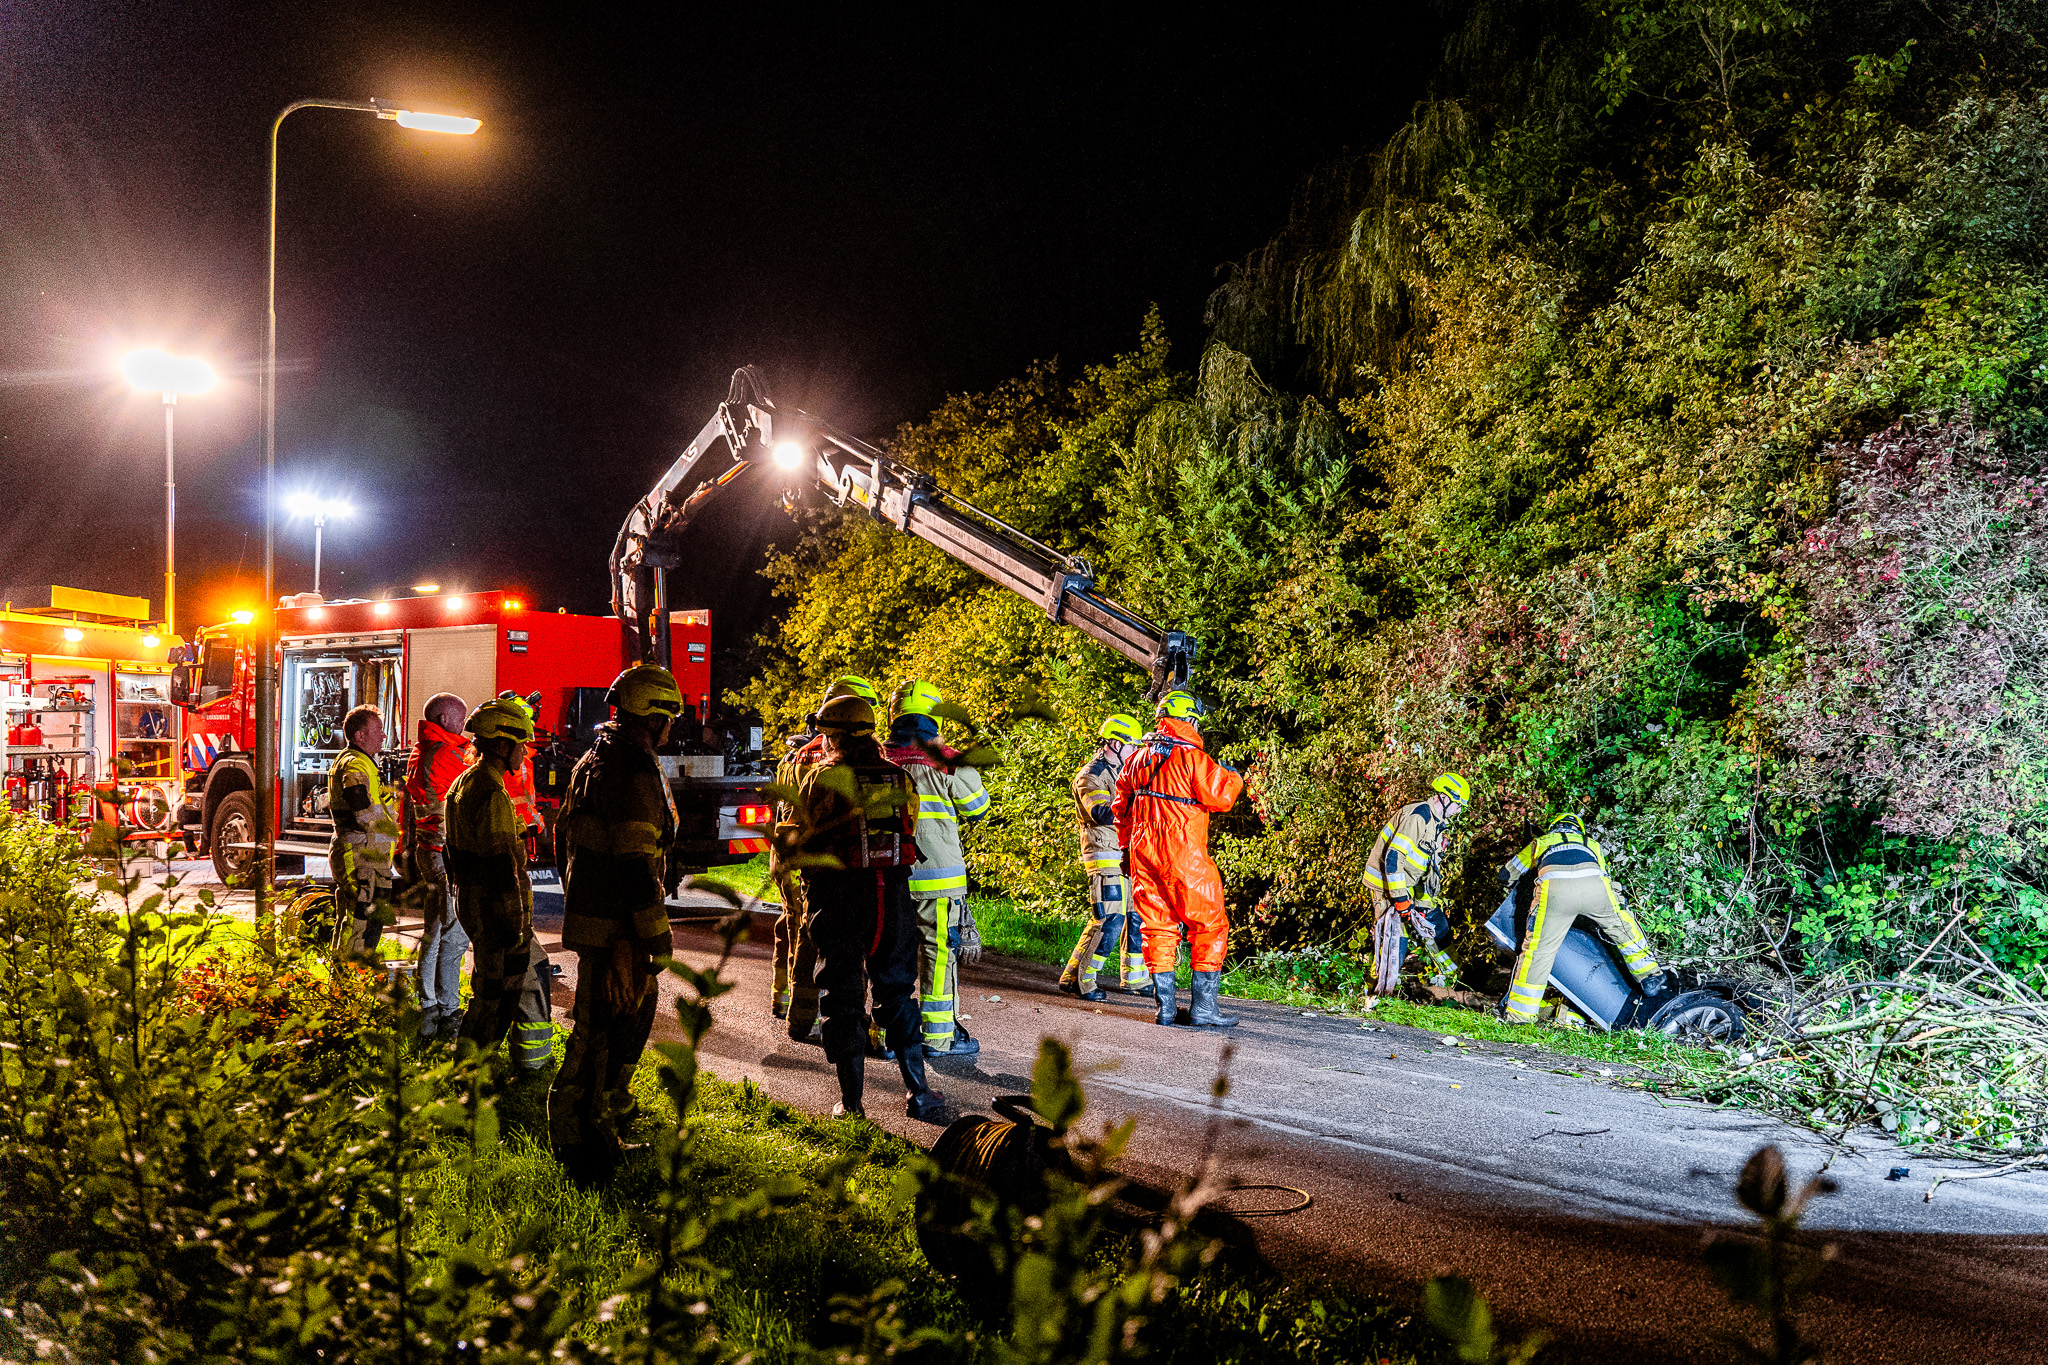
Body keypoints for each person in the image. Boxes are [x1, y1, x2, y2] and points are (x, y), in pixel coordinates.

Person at [548, 664, 683, 1183]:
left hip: (599, 917)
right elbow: (634, 862)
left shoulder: (596, 758)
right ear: (653, 716)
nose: (671, 726)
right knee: (600, 1031)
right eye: (669, 716)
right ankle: (578, 1138)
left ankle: (601, 1122)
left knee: (623, 1023)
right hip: (617, 926)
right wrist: (651, 936)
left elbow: (565, 838)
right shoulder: (632, 770)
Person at [796, 693, 943, 1121]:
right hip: (891, 900)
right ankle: (919, 1092)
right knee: (897, 991)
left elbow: (806, 834)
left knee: (843, 996)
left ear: (834, 737)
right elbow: (910, 824)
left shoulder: (823, 778)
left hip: (838, 899)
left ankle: (852, 1104)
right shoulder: (899, 777)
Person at [1112, 691, 1245, 1028]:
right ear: (1189, 720)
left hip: (1143, 851)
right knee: (1209, 924)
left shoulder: (1137, 759)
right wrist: (1234, 776)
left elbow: (1121, 809)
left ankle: (1166, 1009)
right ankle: (1203, 1009)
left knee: (1157, 925)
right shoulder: (1193, 758)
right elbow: (1222, 797)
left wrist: (1126, 850)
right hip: (1184, 851)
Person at [882, 680, 990, 1058]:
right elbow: (978, 807)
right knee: (938, 953)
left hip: (887, 874)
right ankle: (939, 1037)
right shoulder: (947, 759)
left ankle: (887, 1034)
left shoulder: (877, 758)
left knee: (887, 954)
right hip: (939, 877)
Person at [771, 675, 878, 1040]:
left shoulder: (801, 752)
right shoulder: (845, 759)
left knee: (798, 931)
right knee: (834, 943)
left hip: (802, 861)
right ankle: (834, 1020)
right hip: (837, 868)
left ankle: (792, 1009)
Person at [1499, 814, 1666, 1022]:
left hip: (1555, 892)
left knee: (1538, 951)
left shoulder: (1541, 842)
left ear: (1554, 828)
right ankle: (1650, 976)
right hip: (1594, 888)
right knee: (1621, 926)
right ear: (1579, 829)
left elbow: (1506, 875)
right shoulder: (1592, 844)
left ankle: (1520, 1016)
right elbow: (1604, 874)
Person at [445, 698, 538, 1052]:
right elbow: (501, 867)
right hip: (495, 907)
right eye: (520, 744)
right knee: (495, 996)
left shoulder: (465, 781)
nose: (524, 752)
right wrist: (514, 924)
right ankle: (473, 1068)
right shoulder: (492, 791)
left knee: (489, 987)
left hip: (472, 897)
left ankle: (472, 1065)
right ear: (501, 746)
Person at [1059, 712, 1151, 1002]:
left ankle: (1135, 978)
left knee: (1136, 916)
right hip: (1104, 854)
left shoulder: (1124, 771)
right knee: (1108, 919)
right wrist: (1137, 801)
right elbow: (1100, 812)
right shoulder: (1091, 775)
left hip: (1127, 855)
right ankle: (1082, 979)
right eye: (1132, 745)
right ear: (1115, 743)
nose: (1136, 751)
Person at [402, 691, 471, 1038]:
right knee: (453, 935)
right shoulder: (445, 754)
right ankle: (446, 1008)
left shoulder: (423, 750)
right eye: (461, 718)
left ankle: (428, 1001)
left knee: (435, 928)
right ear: (444, 719)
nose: (465, 724)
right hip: (445, 854)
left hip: (430, 849)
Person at [1364, 773, 1469, 996]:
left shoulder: (1438, 825)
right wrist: (1401, 900)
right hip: (1387, 886)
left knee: (1438, 925)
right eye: (1458, 805)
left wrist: (1423, 904)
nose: (1459, 811)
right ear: (1444, 798)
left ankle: (1457, 979)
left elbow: (1427, 869)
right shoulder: (1418, 817)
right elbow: (1393, 859)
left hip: (1409, 885)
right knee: (1395, 939)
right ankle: (1377, 991)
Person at [327, 704, 399, 957]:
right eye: (378, 729)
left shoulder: (362, 762)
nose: (383, 735)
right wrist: (375, 830)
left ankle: (355, 971)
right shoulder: (355, 763)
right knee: (357, 920)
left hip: (369, 854)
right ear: (360, 735)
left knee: (365, 919)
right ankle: (346, 973)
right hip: (361, 853)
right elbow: (357, 798)